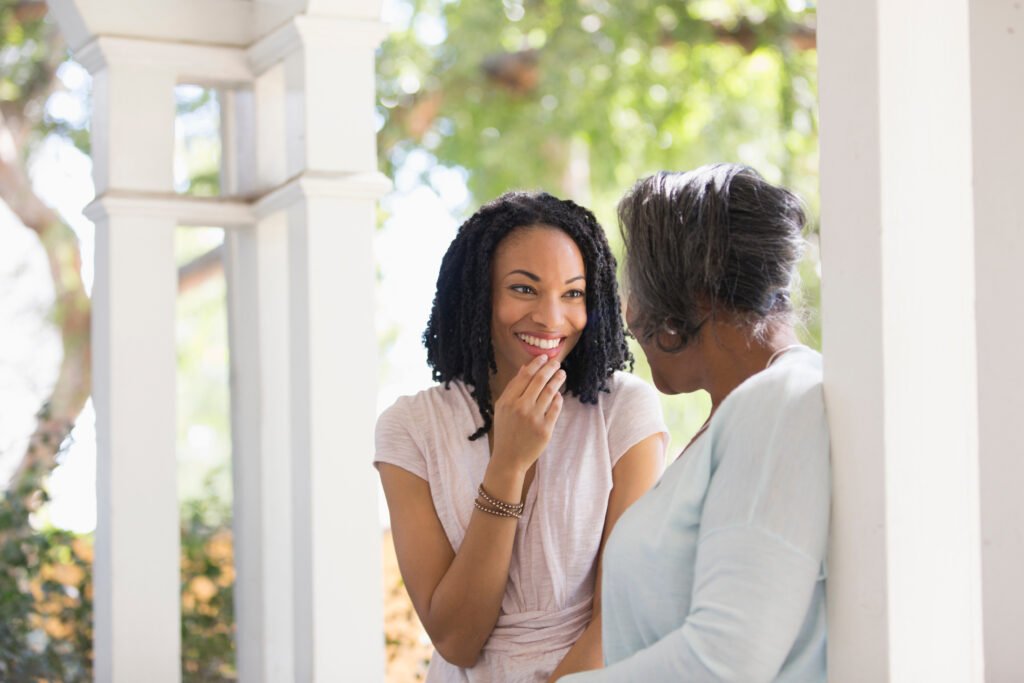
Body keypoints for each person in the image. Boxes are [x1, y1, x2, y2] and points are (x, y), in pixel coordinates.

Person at [375, 191, 668, 682]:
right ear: (477, 294)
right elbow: (457, 640)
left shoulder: (622, 411)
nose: (552, 319)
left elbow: (621, 617)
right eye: (524, 289)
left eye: (572, 294)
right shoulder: (411, 428)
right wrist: (508, 465)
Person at [561, 164, 830, 682]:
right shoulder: (742, 411)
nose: (628, 314)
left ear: (691, 294)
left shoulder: (779, 401)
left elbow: (723, 661)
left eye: (636, 282)